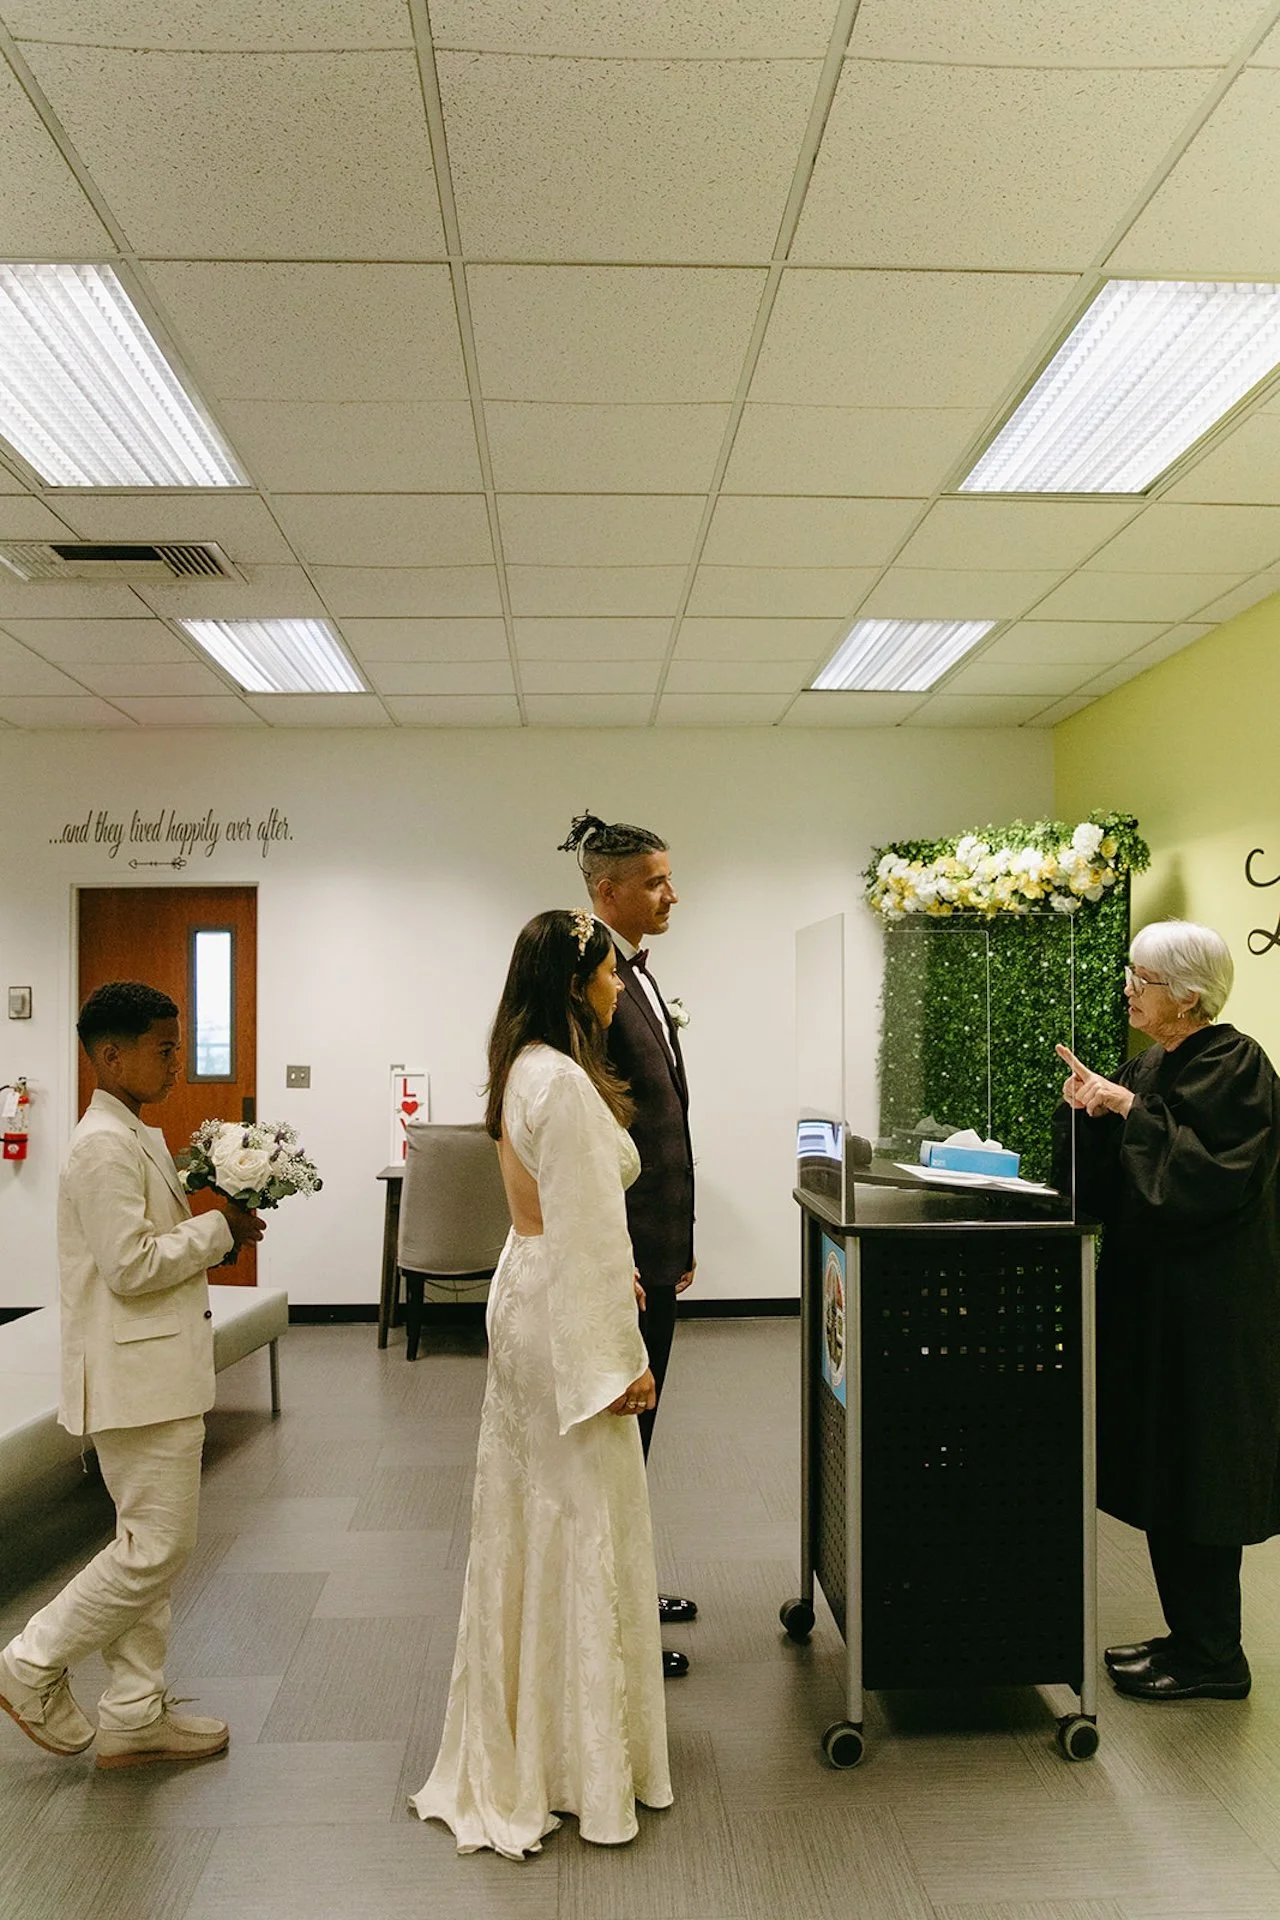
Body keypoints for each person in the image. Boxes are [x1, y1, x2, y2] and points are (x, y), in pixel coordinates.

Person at [412, 909, 671, 1858]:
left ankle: (551, 1738)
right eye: (606, 975)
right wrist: (622, 1363)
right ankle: (574, 1764)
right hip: (564, 1311)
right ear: (576, 985)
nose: (616, 988)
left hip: (533, 1284)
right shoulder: (560, 1082)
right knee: (577, 1520)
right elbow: (590, 1234)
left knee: (536, 1517)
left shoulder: (523, 1067)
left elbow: (569, 1217)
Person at [0, 981, 264, 1767]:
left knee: (145, 1539)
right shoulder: (102, 1146)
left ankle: (133, 1711)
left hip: (153, 1371)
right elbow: (130, 1265)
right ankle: (29, 1663)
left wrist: (214, 1227)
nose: (176, 1062)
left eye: (177, 1046)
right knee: (154, 1550)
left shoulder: (133, 1132)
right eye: (163, 1048)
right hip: (134, 1379)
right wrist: (217, 1230)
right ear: (110, 1055)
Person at [1053, 920, 1280, 1702]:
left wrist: (1129, 1113)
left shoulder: (1238, 1065)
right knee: (1167, 1473)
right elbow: (1118, 1182)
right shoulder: (1153, 1060)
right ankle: (1188, 1639)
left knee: (1203, 1478)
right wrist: (1086, 1110)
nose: (1129, 990)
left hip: (1212, 1314)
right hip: (1155, 1307)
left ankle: (1217, 1658)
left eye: (1142, 979)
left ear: (1189, 994)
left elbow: (1210, 1181)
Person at [560, 812, 698, 1674]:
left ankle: (626, 1582)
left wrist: (679, 1239)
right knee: (616, 1434)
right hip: (621, 1254)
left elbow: (661, 1117)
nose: (671, 893)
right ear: (606, 890)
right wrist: (617, 1259)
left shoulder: (635, 974)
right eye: (654, 881)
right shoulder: (587, 977)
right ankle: (607, 1616)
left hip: (654, 1245)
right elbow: (587, 1133)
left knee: (637, 1435)